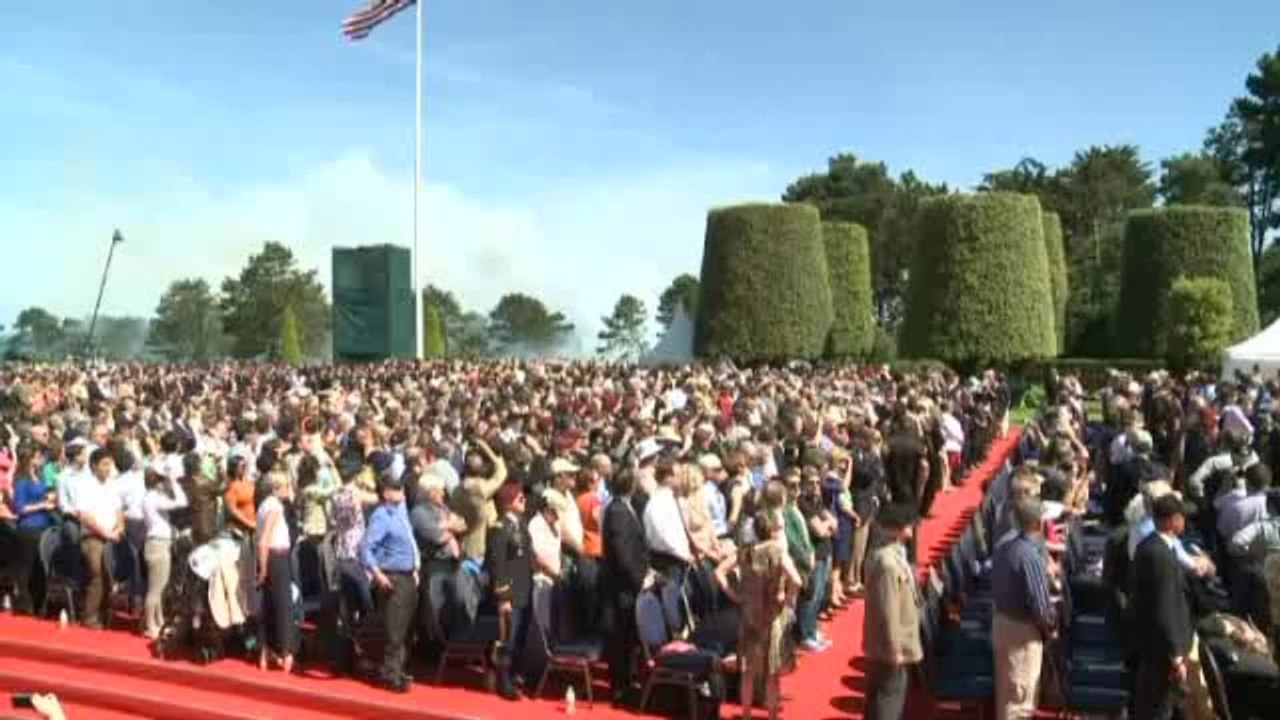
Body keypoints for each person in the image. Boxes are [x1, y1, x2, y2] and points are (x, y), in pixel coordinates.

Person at [715, 508, 801, 720]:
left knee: (747, 671)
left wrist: (735, 595)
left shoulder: (745, 552)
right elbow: (797, 580)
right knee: (772, 674)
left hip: (749, 616)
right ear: (771, 530)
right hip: (773, 617)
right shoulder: (778, 551)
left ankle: (745, 715)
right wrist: (788, 599)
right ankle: (771, 716)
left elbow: (719, 572)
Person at [990, 497, 1056, 720]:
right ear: (1038, 524)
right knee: (1019, 700)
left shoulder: (1004, 547)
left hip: (1001, 624)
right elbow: (1040, 605)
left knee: (1007, 693)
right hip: (1022, 633)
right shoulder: (1029, 556)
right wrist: (1050, 628)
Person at [1131, 494, 1194, 720]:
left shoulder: (1153, 547)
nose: (1184, 522)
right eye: (1181, 517)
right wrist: (1175, 654)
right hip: (1161, 652)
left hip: (1155, 646)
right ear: (1171, 520)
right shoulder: (1159, 555)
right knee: (1158, 709)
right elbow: (1164, 606)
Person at [861, 503, 921, 720]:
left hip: (884, 645)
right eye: (907, 524)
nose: (912, 527)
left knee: (878, 699)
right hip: (889, 648)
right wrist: (895, 649)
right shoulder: (888, 564)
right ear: (896, 528)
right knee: (888, 703)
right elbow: (888, 610)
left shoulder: (893, 555)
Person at [361, 472, 419, 693]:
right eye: (397, 488)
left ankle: (397, 669)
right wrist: (377, 574)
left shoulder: (399, 513)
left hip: (407, 576)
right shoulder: (382, 516)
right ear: (386, 494)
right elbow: (366, 548)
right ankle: (390, 674)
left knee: (405, 629)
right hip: (393, 576)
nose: (402, 492)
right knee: (395, 630)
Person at [602, 469, 651, 707]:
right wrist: (639, 579)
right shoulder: (618, 511)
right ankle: (620, 686)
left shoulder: (625, 508)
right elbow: (622, 554)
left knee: (629, 637)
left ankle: (628, 681)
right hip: (622, 587)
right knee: (621, 637)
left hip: (630, 585)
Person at [486, 480, 533, 701]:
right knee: (507, 639)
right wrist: (503, 596)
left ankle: (514, 675)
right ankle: (503, 680)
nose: (524, 501)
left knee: (519, 637)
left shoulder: (521, 523)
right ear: (509, 501)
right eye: (520, 498)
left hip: (524, 589)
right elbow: (498, 564)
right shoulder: (500, 528)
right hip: (510, 592)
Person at [141, 460, 187, 639]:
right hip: (157, 545)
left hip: (160, 544)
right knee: (155, 589)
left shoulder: (152, 497)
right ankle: (150, 624)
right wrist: (173, 481)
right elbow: (182, 501)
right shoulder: (153, 498)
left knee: (160, 587)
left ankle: (159, 621)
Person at [78, 448, 123, 629]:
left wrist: (119, 527)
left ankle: (104, 614)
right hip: (93, 538)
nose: (107, 468)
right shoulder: (86, 486)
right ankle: (89, 616)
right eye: (104, 464)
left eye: (109, 464)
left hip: (111, 537)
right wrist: (104, 532)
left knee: (110, 576)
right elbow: (84, 515)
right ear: (94, 466)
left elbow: (118, 510)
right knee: (97, 575)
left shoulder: (113, 485)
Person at [255, 470, 295, 674]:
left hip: (271, 558)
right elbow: (264, 539)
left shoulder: (264, 505)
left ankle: (265, 651)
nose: (289, 490)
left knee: (268, 606)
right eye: (287, 486)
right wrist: (263, 568)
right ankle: (286, 652)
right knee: (283, 606)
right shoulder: (274, 507)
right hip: (275, 558)